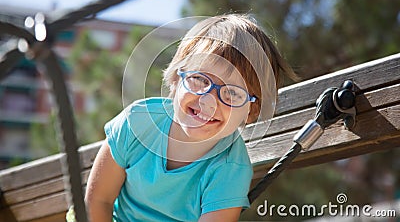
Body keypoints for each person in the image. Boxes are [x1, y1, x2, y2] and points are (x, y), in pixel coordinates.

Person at [69, 14, 297, 222]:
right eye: (199, 79)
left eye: (232, 93)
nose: (209, 101)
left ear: (251, 111)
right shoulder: (138, 123)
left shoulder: (229, 169)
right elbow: (99, 200)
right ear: (177, 79)